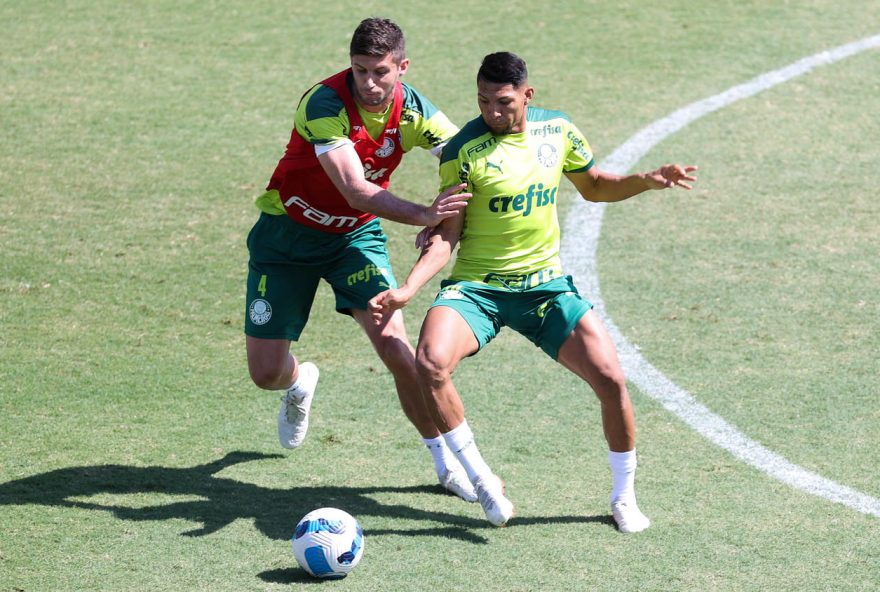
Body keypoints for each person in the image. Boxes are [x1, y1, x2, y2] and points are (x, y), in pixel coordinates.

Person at [369, 51, 698, 531]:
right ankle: (481, 478)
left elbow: (596, 186)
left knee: (611, 380)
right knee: (430, 364)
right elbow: (447, 233)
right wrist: (409, 288)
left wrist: (645, 182)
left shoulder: (557, 131)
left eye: (503, 103)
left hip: (545, 288)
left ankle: (624, 497)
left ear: (528, 95)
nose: (492, 113)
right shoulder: (463, 150)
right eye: (483, 102)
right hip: (478, 289)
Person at [244, 18, 477, 502]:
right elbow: (353, 187)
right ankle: (300, 379)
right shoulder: (325, 103)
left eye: (381, 72)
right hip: (286, 238)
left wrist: (449, 212)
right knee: (266, 374)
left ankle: (444, 462)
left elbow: (465, 158)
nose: (369, 83)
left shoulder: (414, 112)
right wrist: (424, 214)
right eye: (360, 70)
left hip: (354, 239)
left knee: (397, 351)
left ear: (402, 67)